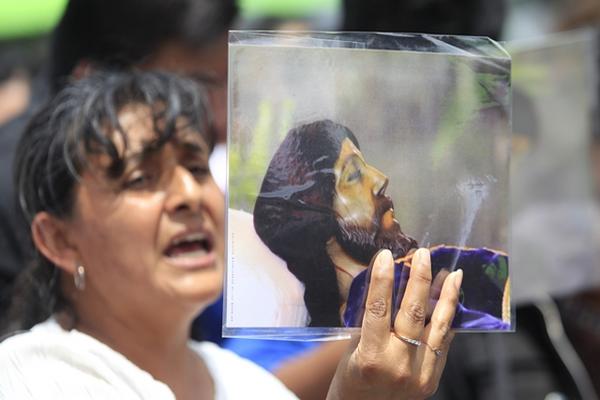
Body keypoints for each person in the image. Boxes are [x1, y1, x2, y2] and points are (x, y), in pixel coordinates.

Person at [0, 71, 462, 399]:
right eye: (141, 178)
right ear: (58, 240)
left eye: (197, 167)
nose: (189, 194)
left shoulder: (247, 385)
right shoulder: (26, 379)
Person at [253, 119, 510, 330]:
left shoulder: (437, 263)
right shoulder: (375, 300)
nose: (380, 178)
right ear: (317, 219)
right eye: (353, 175)